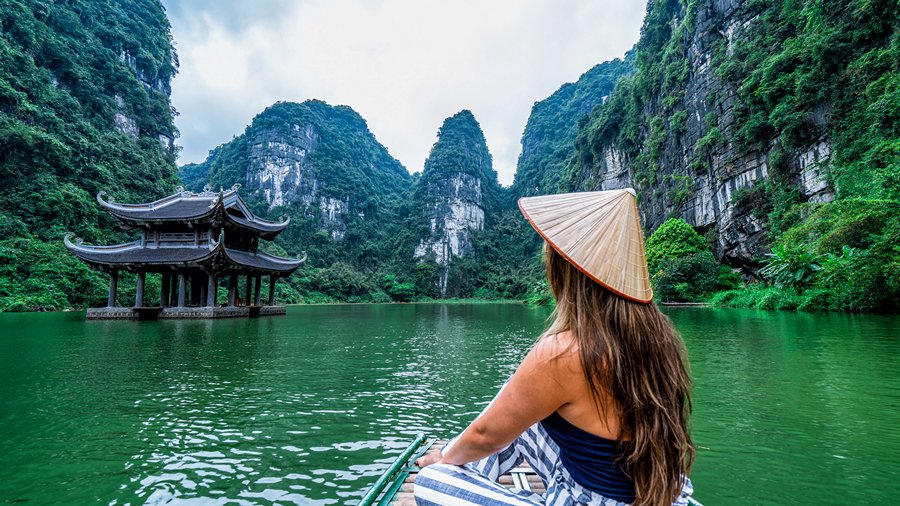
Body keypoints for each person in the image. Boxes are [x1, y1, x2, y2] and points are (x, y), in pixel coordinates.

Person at [413, 189, 698, 506]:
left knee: (431, 482)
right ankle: (469, 470)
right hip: (664, 494)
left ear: (565, 270)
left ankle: (462, 471)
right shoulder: (662, 336)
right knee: (521, 410)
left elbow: (485, 436)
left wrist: (444, 457)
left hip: (595, 501)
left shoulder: (564, 351)